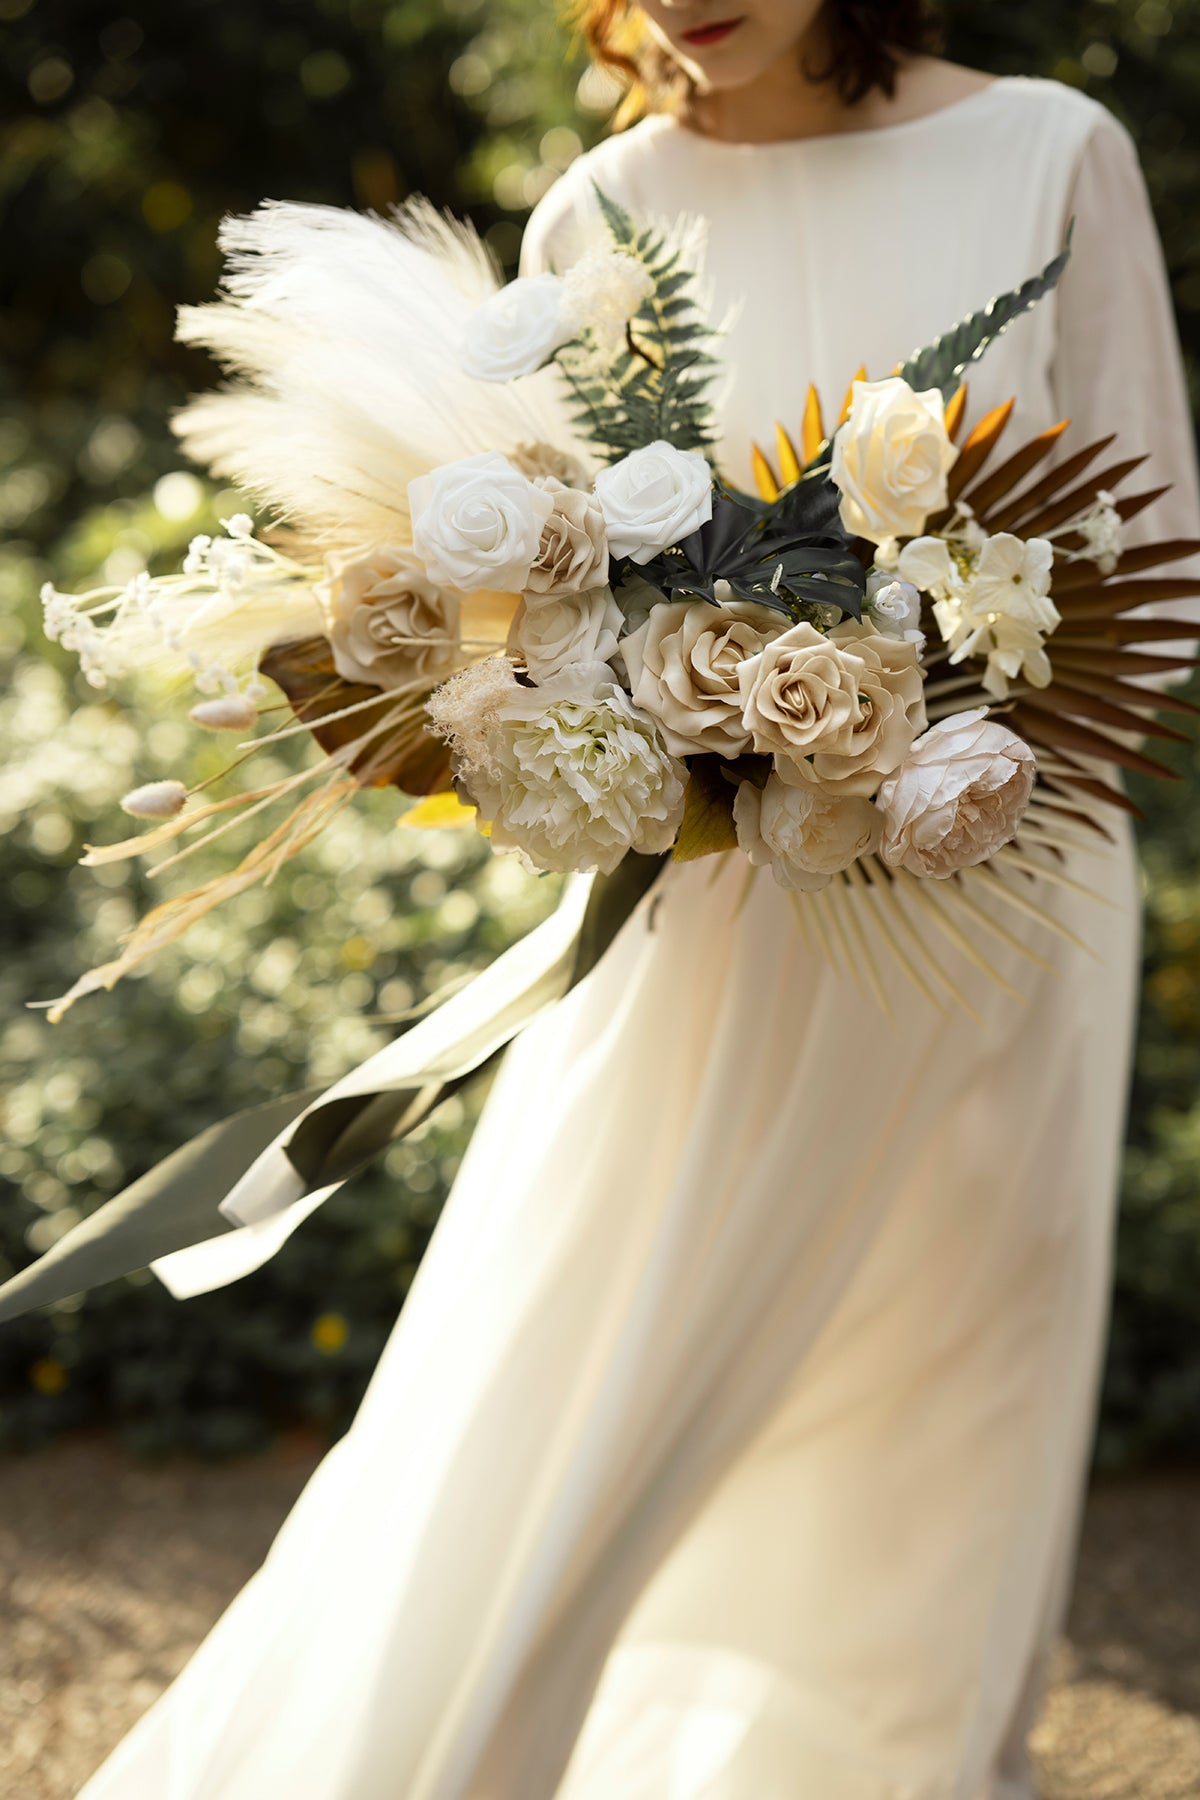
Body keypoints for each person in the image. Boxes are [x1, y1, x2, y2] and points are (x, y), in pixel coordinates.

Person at [78, 3, 1200, 1797]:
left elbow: (1154, 552)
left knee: (947, 1397)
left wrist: (935, 791)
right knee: (584, 1367)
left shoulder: (1052, 150)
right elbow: (537, 606)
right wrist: (604, 750)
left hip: (998, 886)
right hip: (696, 929)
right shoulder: (600, 212)